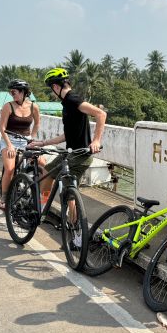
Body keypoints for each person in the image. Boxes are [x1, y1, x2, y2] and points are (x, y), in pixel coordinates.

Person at [28, 68, 106, 236]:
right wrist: (43, 142)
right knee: (70, 194)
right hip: (81, 157)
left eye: (52, 90)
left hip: (77, 156)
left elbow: (100, 114)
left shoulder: (72, 99)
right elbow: (67, 135)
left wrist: (97, 140)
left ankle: (39, 209)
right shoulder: (68, 103)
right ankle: (76, 235)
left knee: (47, 173)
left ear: (56, 87)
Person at [0, 79, 41, 210]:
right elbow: (2, 127)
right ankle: (4, 198)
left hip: (25, 140)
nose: (12, 94)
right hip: (9, 139)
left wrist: (32, 138)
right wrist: (9, 145)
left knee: (42, 164)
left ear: (23, 92)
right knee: (10, 169)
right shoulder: (8, 106)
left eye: (14, 92)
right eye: (10, 92)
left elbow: (37, 123)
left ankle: (38, 198)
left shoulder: (34, 107)